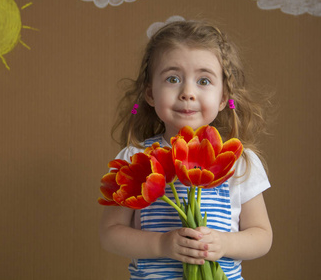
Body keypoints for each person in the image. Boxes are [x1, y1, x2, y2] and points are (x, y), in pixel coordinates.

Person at [99, 20, 273, 280]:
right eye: (173, 79)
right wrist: (162, 245)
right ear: (150, 94)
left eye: (204, 80)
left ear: (224, 97)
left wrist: (224, 244)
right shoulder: (134, 158)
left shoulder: (240, 161)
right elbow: (110, 234)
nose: (188, 92)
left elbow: (262, 235)